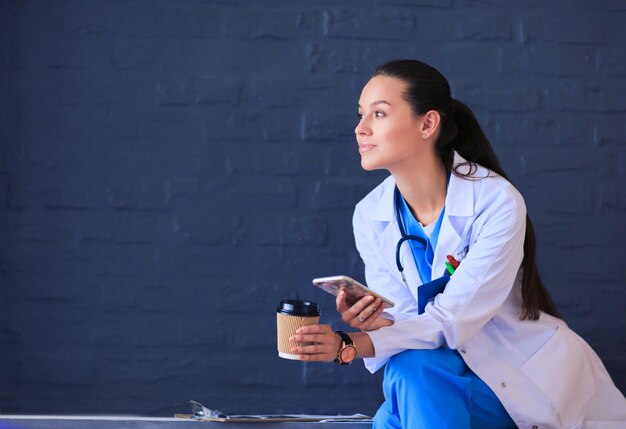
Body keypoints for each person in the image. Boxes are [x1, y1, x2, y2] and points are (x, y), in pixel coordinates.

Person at [288, 59, 626, 428]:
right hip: (434, 376)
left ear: (427, 124)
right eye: (360, 114)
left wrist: (348, 345)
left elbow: (452, 320)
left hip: (512, 382)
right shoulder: (370, 214)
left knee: (402, 393)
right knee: (409, 372)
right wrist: (375, 321)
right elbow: (405, 320)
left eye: (379, 114)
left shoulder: (495, 201)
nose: (360, 128)